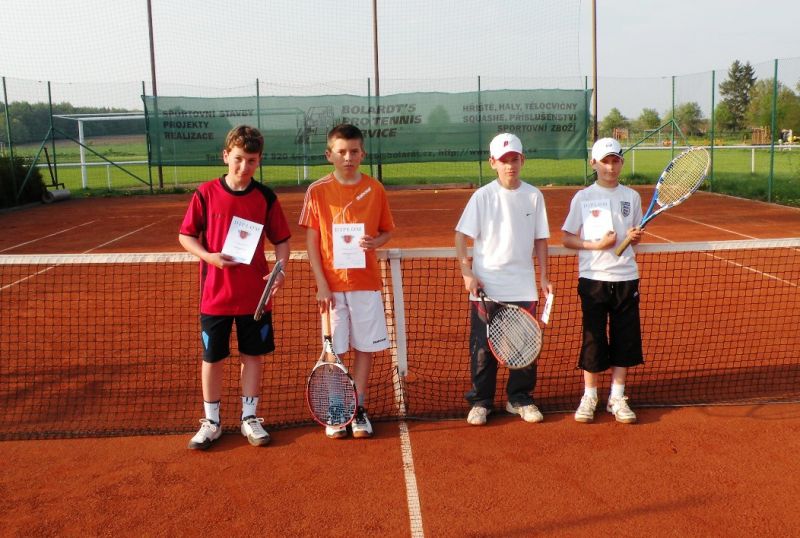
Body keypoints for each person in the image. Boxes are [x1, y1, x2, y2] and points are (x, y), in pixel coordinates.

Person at [179, 125, 291, 450]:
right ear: (226, 155)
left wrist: (280, 269)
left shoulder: (265, 197)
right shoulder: (205, 194)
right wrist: (209, 257)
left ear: (259, 161)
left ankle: (249, 418)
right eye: (239, 158)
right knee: (212, 359)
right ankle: (212, 422)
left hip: (255, 297)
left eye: (251, 160)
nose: (244, 166)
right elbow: (186, 236)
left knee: (252, 357)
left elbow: (282, 240)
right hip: (215, 297)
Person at [298, 123, 395, 439]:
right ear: (329, 155)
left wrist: (375, 242)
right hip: (332, 288)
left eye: (354, 151)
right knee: (334, 351)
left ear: (362, 153)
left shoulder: (375, 189)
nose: (348, 157)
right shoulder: (317, 191)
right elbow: (312, 242)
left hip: (366, 284)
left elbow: (387, 231)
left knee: (365, 348)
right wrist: (321, 284)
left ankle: (358, 407)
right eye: (341, 152)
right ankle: (337, 408)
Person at [455, 132, 552, 426]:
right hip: (487, 287)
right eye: (504, 160)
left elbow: (541, 239)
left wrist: (544, 276)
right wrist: (467, 273)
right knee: (483, 349)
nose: (510, 165)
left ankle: (519, 399)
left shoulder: (534, 195)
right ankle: (481, 402)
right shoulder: (482, 196)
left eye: (514, 159)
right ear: (493, 162)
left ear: (523, 160)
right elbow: (461, 236)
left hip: (523, 285)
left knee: (525, 347)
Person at [561, 137, 644, 424]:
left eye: (615, 160)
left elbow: (634, 234)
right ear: (593, 163)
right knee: (593, 338)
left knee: (625, 338)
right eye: (604, 161)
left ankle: (617, 397)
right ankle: (590, 395)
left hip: (626, 277)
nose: (610, 167)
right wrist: (596, 245)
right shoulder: (583, 197)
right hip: (593, 278)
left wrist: (634, 237)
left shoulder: (632, 197)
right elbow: (567, 238)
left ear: (621, 162)